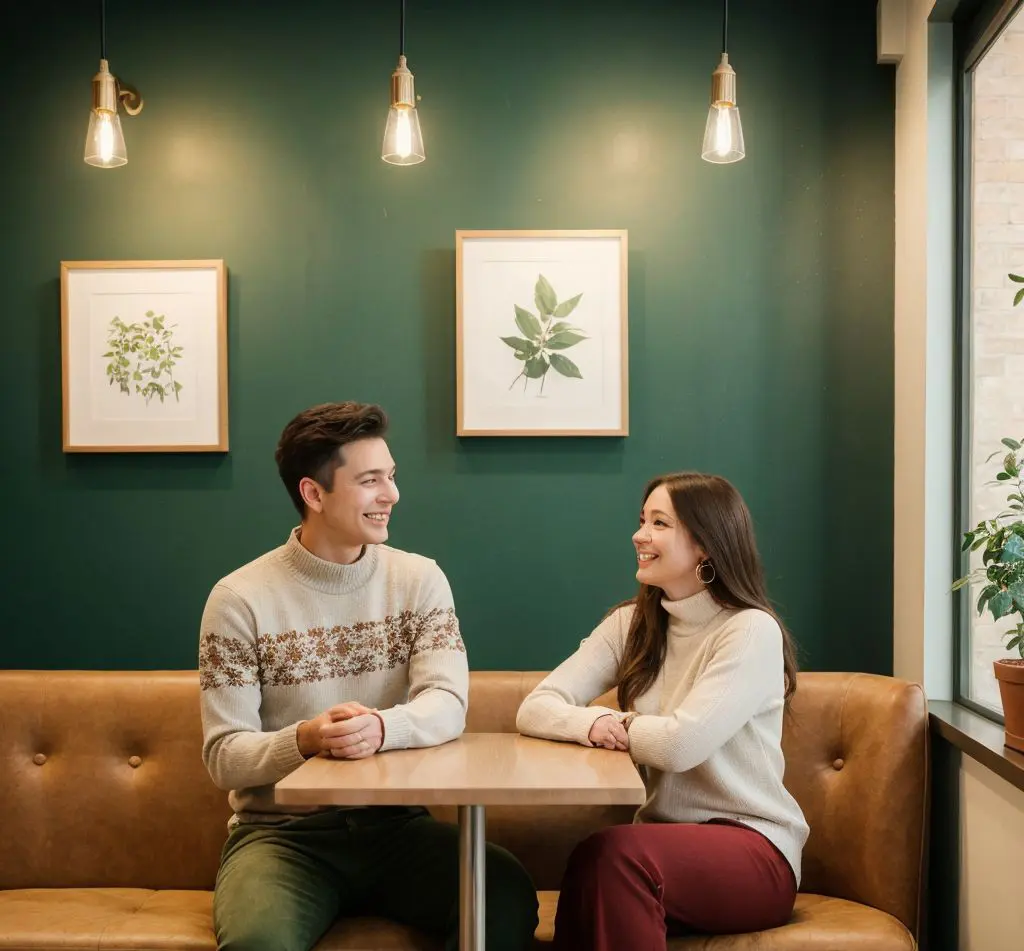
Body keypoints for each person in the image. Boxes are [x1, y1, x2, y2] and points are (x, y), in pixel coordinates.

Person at [199, 401, 538, 951]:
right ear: (314, 494)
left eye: (392, 477)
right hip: (282, 839)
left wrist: (381, 729)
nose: (392, 495)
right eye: (370, 480)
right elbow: (224, 758)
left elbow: (447, 701)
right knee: (256, 942)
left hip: (397, 829)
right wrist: (305, 739)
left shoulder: (420, 579)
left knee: (504, 894)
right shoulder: (238, 599)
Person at [516, 472, 809, 950]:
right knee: (593, 862)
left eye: (659, 523)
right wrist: (597, 724)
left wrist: (623, 724)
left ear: (705, 546)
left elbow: (680, 745)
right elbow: (536, 707)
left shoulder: (750, 630)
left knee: (613, 856)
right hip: (657, 849)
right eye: (641, 520)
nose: (639, 534)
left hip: (754, 849)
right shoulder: (632, 623)